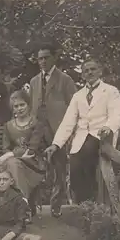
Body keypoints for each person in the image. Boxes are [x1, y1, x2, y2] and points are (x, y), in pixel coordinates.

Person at [46, 58, 120, 204]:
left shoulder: (110, 91)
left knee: (88, 156)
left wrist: (108, 127)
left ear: (100, 71)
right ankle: (83, 205)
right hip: (81, 139)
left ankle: (94, 202)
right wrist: (56, 144)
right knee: (75, 167)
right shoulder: (78, 96)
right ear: (82, 75)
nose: (89, 72)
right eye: (86, 71)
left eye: (93, 69)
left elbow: (118, 115)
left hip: (101, 136)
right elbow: (68, 122)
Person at [25, 43, 78, 217]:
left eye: (46, 57)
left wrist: (70, 132)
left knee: (59, 170)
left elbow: (74, 106)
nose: (42, 61)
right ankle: (31, 206)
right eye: (40, 58)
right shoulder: (34, 81)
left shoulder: (65, 80)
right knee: (32, 167)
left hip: (58, 131)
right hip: (37, 131)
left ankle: (56, 205)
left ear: (54, 58)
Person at [0, 90, 46, 202]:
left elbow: (32, 148)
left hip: (33, 164)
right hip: (14, 162)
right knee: (7, 167)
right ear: (13, 109)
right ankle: (18, 202)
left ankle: (21, 202)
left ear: (28, 105)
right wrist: (14, 155)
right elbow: (5, 147)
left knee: (12, 163)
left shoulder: (37, 124)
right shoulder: (8, 126)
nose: (20, 108)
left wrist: (11, 154)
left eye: (22, 104)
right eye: (16, 106)